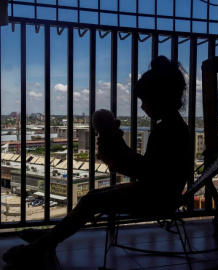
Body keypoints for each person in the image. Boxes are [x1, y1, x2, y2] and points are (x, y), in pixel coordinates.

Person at [2, 55, 193, 265]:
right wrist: (121, 153)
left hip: (157, 198)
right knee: (91, 197)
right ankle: (49, 238)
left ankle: (43, 245)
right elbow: (152, 170)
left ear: (159, 98)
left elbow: (148, 172)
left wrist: (116, 157)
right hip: (161, 193)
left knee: (91, 200)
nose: (142, 107)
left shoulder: (166, 130)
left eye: (144, 101)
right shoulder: (175, 127)